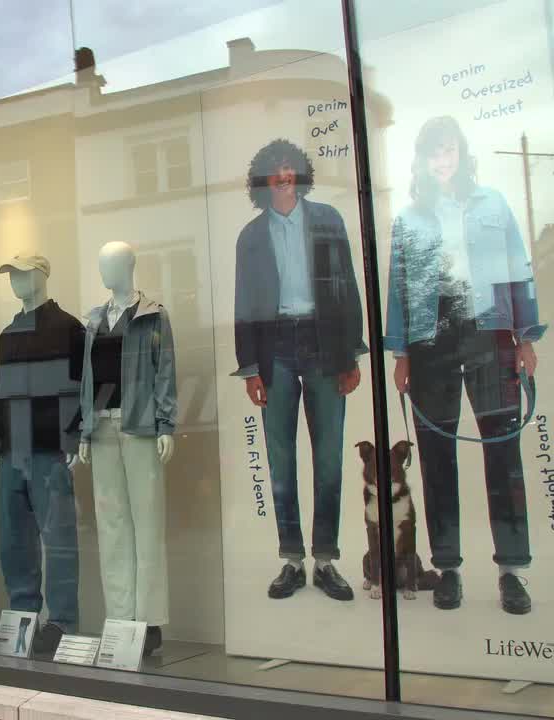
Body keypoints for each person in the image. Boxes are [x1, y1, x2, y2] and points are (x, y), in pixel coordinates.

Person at [384, 116, 544, 615]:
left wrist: (526, 336)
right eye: (433, 153)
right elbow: (398, 286)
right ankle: (448, 567)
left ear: (461, 152)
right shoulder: (409, 219)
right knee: (436, 458)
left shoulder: (493, 204)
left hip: (490, 335)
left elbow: (518, 267)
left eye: (448, 150)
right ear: (422, 161)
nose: (442, 160)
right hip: (432, 342)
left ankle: (511, 572)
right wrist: (402, 351)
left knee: (504, 458)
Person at [232, 139, 365, 602]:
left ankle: (325, 560)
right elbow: (244, 306)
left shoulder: (328, 219)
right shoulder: (250, 236)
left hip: (325, 345)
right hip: (275, 351)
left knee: (329, 457)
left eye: (290, 167)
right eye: (275, 169)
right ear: (263, 181)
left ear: (300, 173)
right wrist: (249, 367)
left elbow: (347, 285)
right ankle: (292, 560)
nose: (284, 174)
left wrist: (352, 353)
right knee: (281, 461)